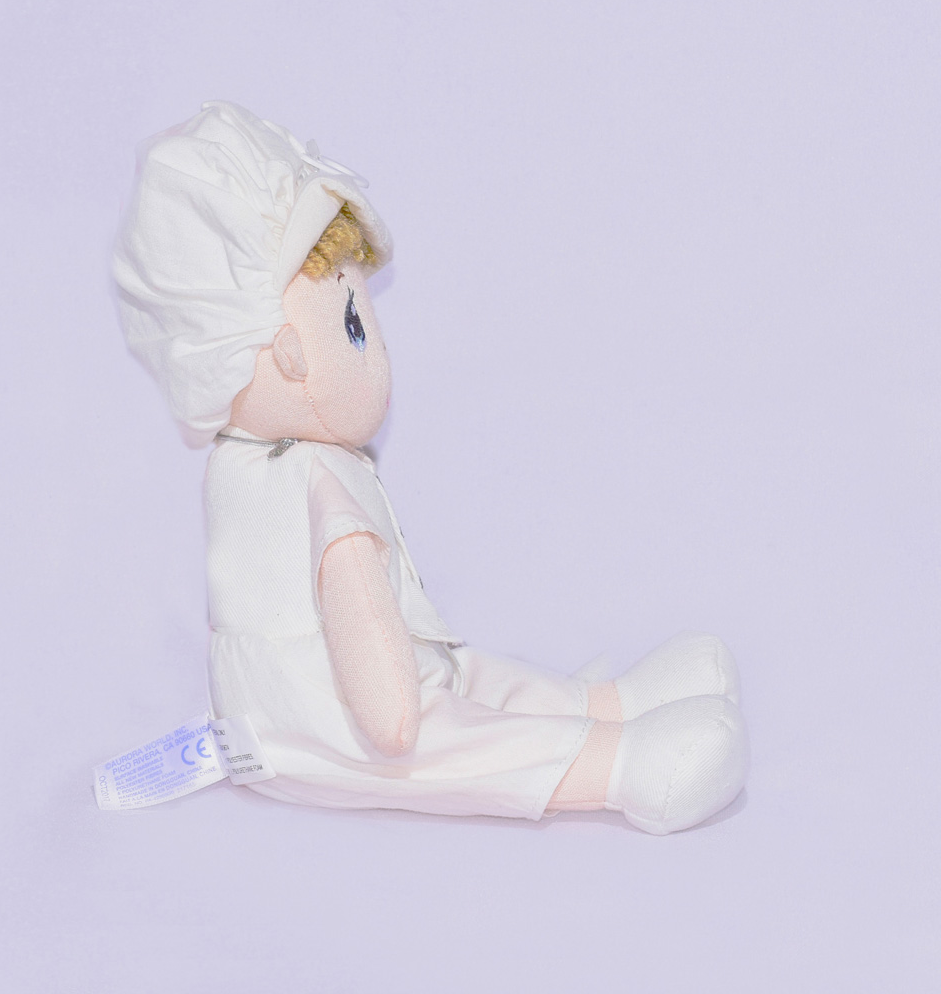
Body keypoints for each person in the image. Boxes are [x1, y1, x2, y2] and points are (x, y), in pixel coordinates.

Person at [113, 102, 749, 833]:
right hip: (323, 722)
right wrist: (394, 712)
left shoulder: (249, 463)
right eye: (353, 325)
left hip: (279, 706)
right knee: (445, 744)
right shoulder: (314, 477)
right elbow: (371, 656)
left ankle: (608, 704)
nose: (375, 351)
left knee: (466, 671)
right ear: (284, 353)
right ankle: (623, 763)